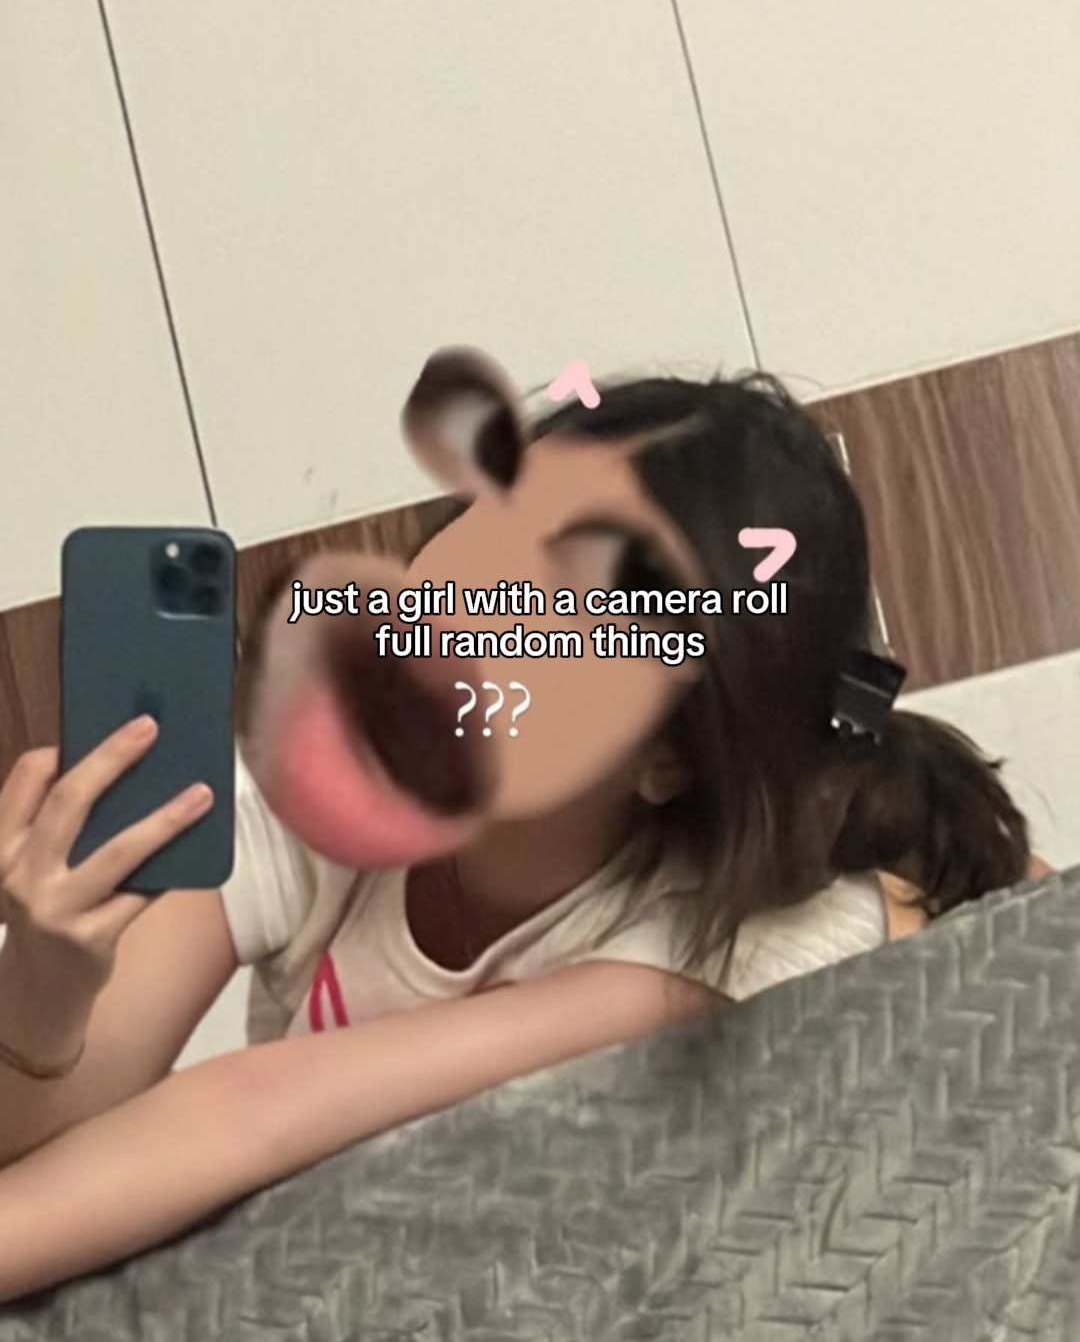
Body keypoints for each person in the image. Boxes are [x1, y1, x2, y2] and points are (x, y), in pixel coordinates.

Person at [0, 365, 1051, 1300]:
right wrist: (46, 984)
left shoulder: (697, 955)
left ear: (668, 758)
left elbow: (252, 1114)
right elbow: (30, 1154)